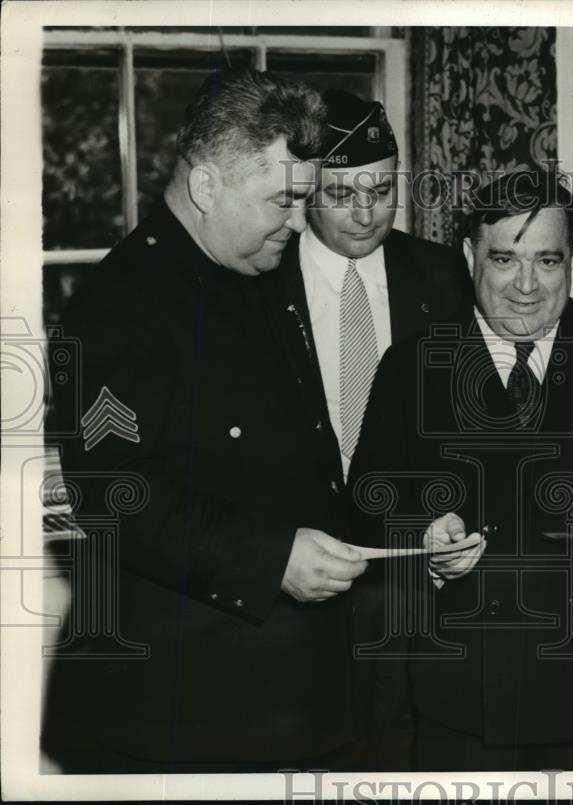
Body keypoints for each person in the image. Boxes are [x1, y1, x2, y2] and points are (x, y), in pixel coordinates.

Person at [42, 69, 368, 774]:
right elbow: (115, 496)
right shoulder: (117, 306)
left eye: (305, 199)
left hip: (289, 693)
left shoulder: (257, 268)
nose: (297, 221)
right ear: (205, 187)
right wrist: (271, 558)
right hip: (179, 710)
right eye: (282, 199)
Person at [348, 170, 573, 771]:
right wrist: (421, 535)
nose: (526, 285)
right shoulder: (411, 365)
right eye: (504, 259)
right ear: (469, 253)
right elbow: (367, 498)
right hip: (458, 697)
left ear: (572, 259)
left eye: (548, 261)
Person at [264, 89, 472, 769]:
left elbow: (469, 420)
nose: (364, 212)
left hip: (412, 570)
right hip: (295, 572)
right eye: (341, 192)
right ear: (303, 191)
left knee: (407, 752)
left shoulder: (443, 277)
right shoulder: (260, 282)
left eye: (381, 189)